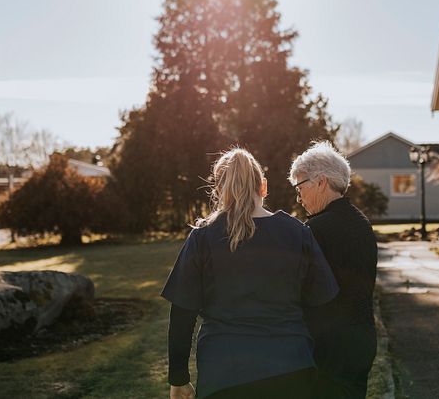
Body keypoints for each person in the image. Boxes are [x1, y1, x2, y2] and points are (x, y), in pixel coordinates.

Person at [161, 148, 339, 399]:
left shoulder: (203, 237)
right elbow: (322, 303)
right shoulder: (297, 233)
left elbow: (182, 313)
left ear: (220, 190)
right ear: (263, 187)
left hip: (224, 373)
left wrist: (178, 377)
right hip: (292, 368)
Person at [289, 141, 379, 399]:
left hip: (328, 350)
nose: (299, 196)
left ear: (321, 182)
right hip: (360, 341)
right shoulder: (361, 222)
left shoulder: (315, 231)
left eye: (300, 186)